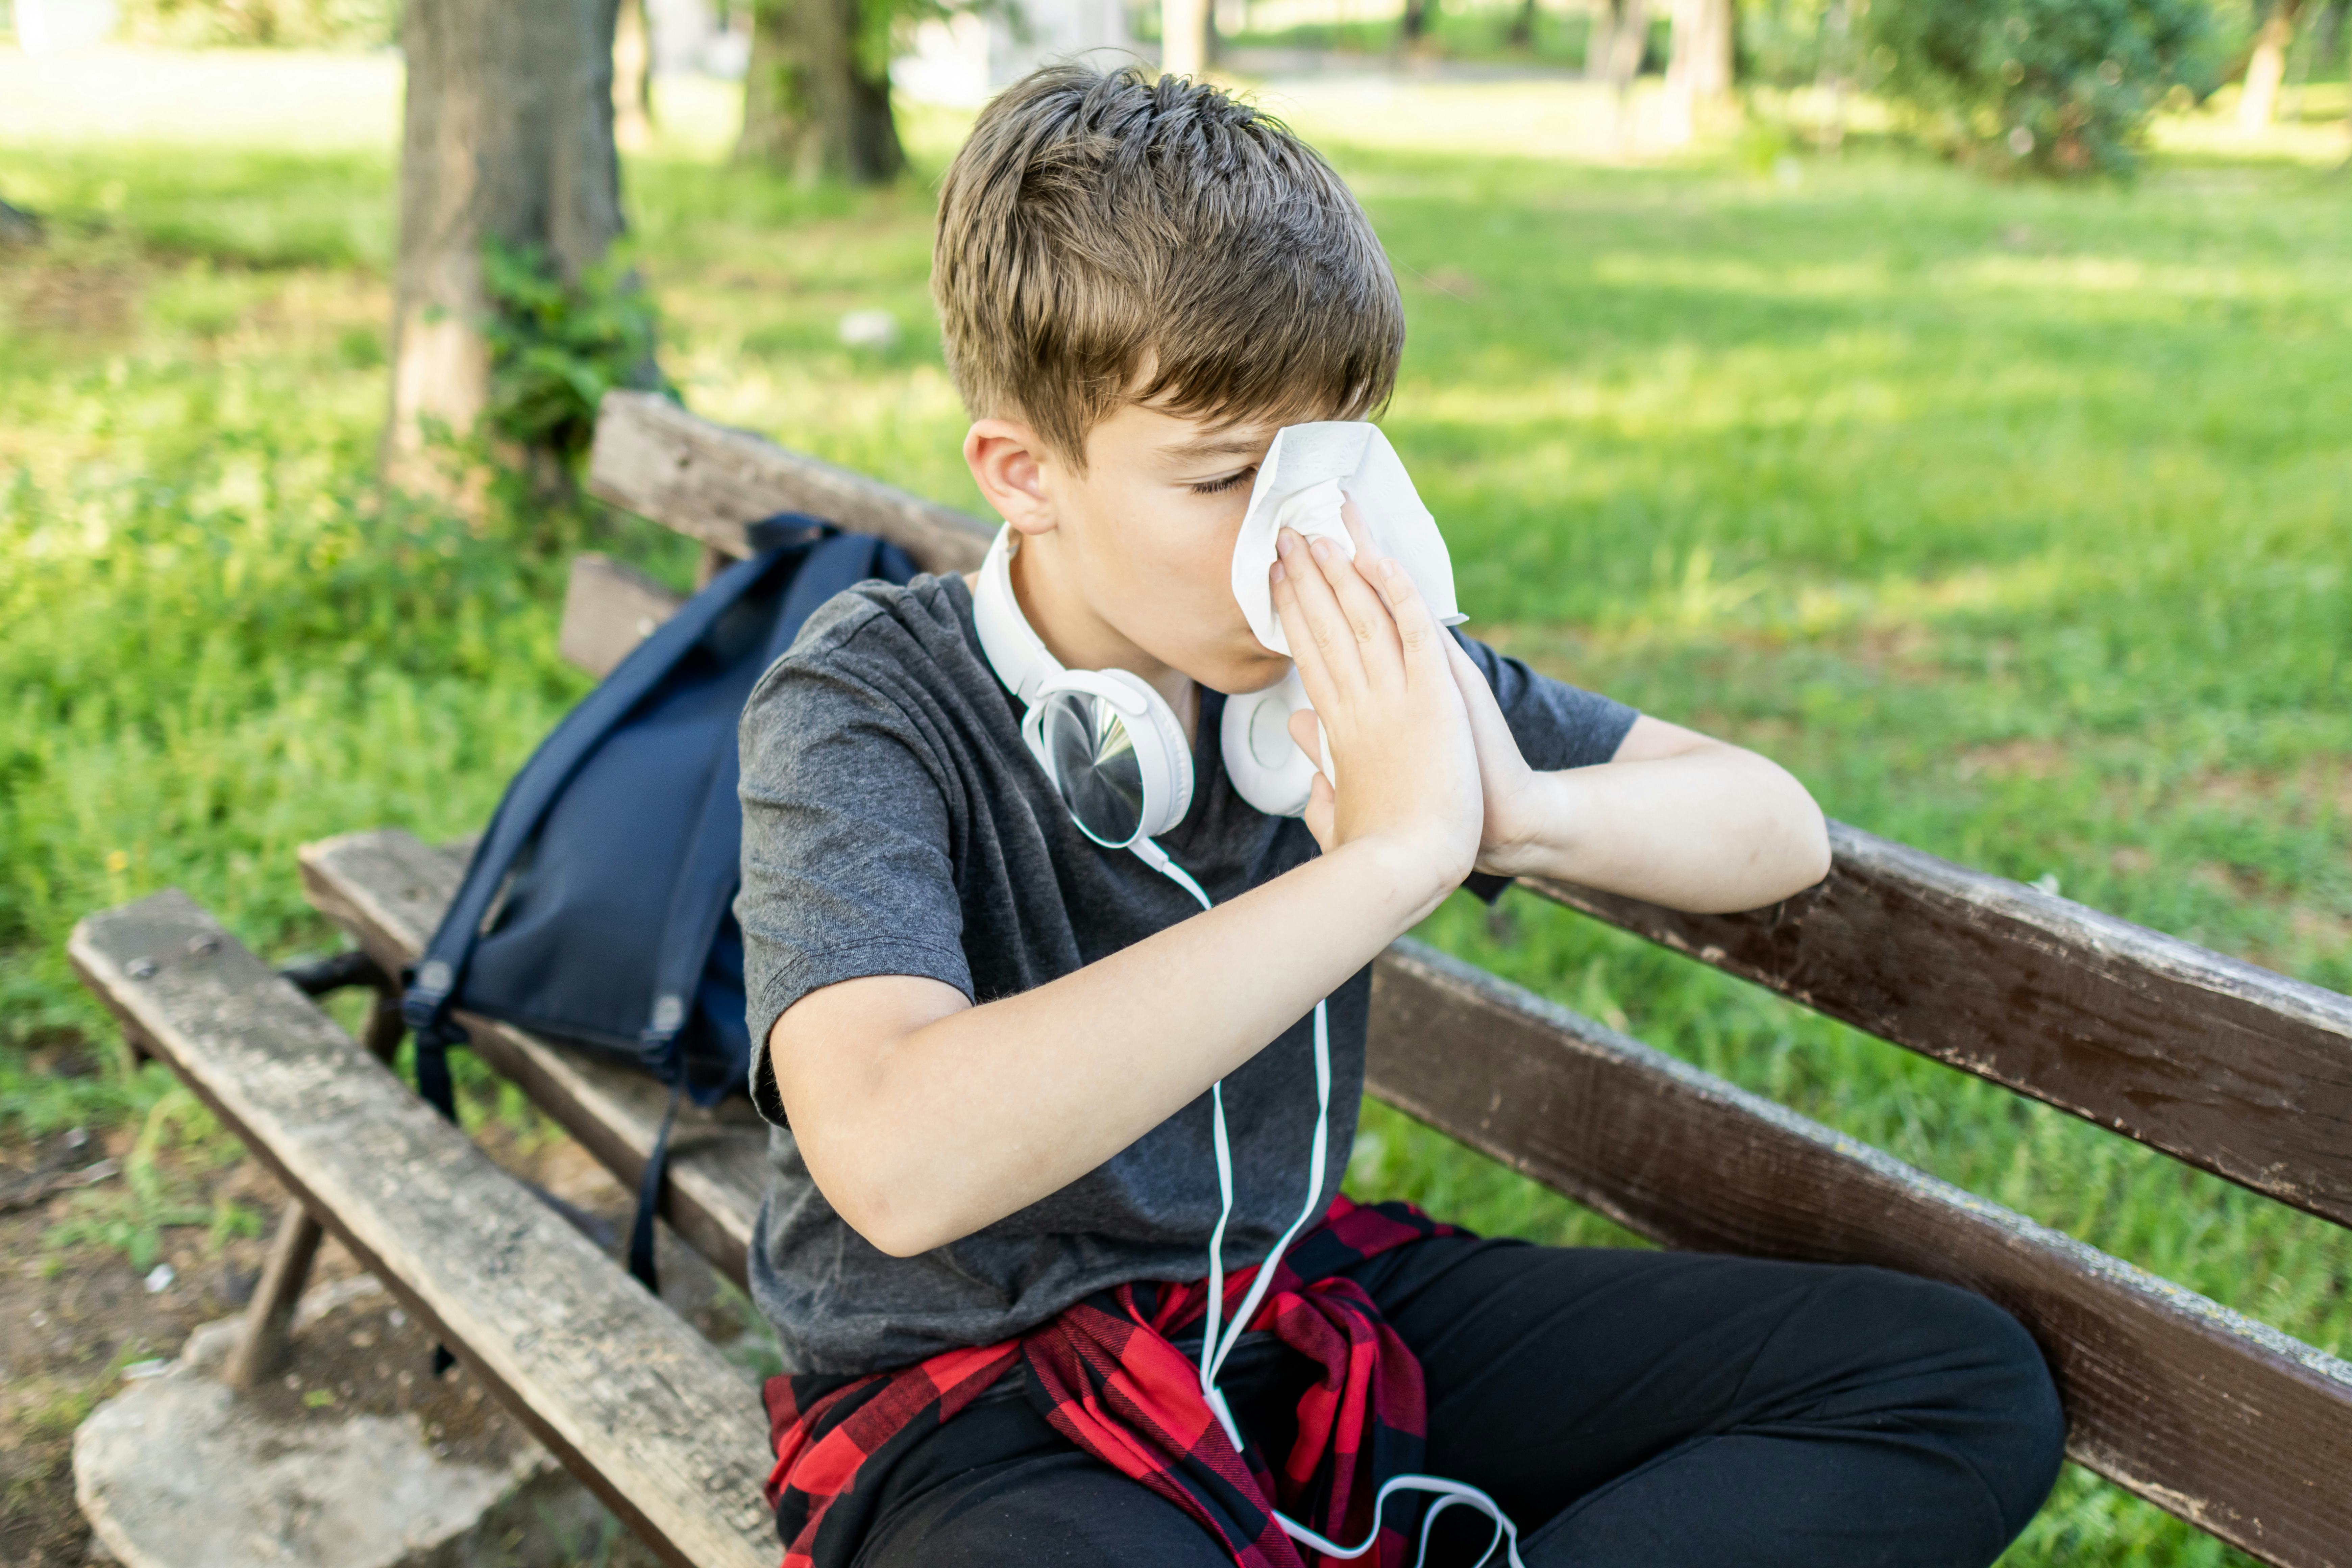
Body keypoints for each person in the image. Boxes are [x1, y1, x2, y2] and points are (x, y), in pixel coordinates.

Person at [733, 61, 2064, 1568]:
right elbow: (899, 1159)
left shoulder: (1342, 657)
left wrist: (1512, 808)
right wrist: (1383, 865)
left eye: (1325, 461)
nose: (1294, 533)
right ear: (1024, 473)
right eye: (1224, 474)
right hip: (981, 1399)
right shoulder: (865, 702)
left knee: (1949, 1382)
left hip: (1288, 1303)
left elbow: (1775, 826)